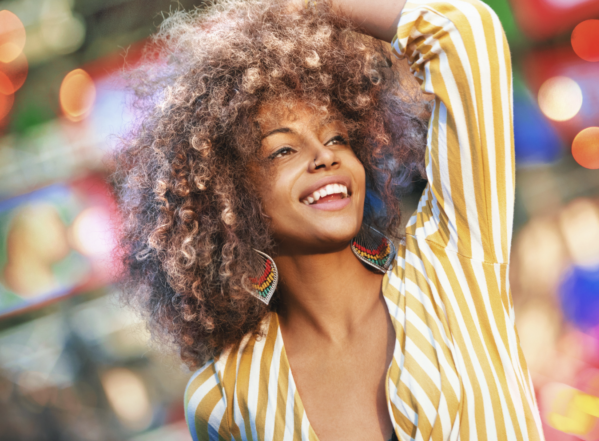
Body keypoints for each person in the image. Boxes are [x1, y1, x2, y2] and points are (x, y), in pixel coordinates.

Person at [114, 0, 544, 439]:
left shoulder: (451, 263)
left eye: (337, 137)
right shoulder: (224, 398)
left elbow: (464, 31)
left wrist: (306, 5)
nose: (324, 157)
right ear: (230, 195)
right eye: (283, 149)